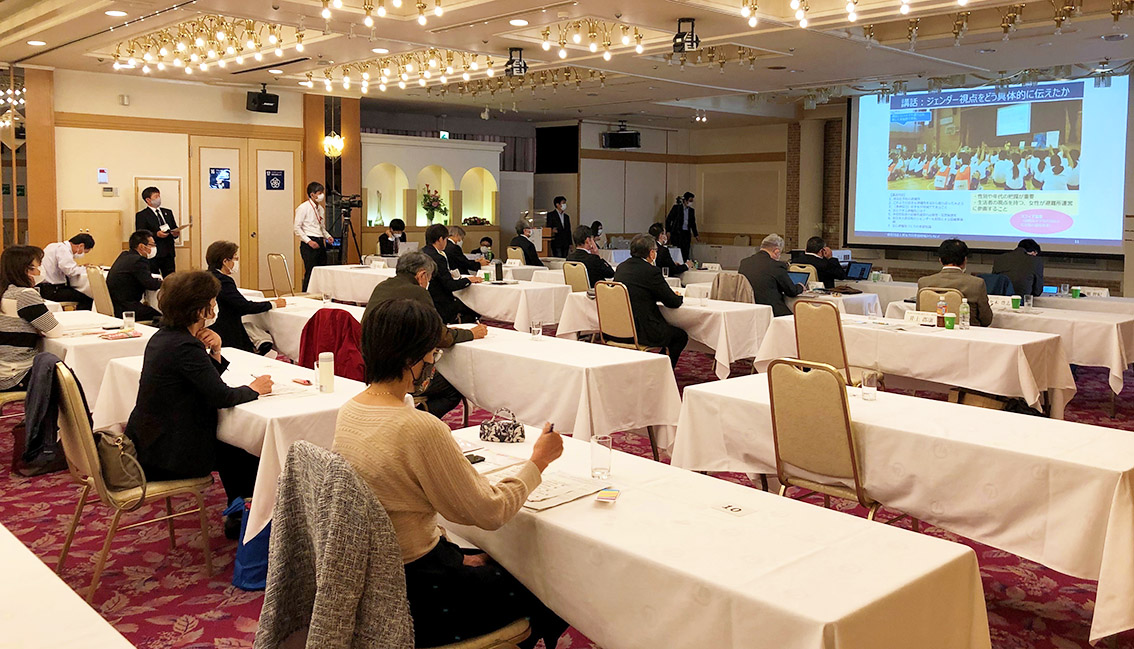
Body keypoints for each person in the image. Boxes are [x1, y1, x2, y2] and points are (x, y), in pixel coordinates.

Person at [333, 298, 567, 648]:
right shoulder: (418, 427)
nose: (434, 363)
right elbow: (490, 512)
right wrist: (538, 462)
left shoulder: (350, 410)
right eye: (432, 354)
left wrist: (452, 555)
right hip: (422, 595)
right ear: (411, 359)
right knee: (554, 587)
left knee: (486, 558)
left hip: (381, 579)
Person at [125, 270, 273, 537]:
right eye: (212, 302)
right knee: (244, 445)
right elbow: (221, 396)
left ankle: (241, 511)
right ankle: (247, 516)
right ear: (200, 309)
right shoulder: (184, 346)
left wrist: (215, 351)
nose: (215, 307)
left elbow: (201, 384)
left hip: (151, 441)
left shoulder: (166, 337)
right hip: (169, 454)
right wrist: (254, 389)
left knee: (233, 440)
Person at [362, 252, 487, 418]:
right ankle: (414, 419)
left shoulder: (382, 287)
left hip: (372, 367)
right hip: (401, 371)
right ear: (421, 275)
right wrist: (470, 333)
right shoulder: (417, 293)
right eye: (429, 278)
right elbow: (440, 336)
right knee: (454, 387)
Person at [612, 234, 687, 368]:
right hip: (642, 330)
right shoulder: (651, 271)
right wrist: (679, 296)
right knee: (680, 336)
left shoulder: (621, 268)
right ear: (652, 253)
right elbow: (672, 302)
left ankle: (656, 365)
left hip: (619, 327)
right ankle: (662, 370)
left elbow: (637, 291)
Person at [205, 240, 285, 354]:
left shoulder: (206, 276)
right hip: (227, 331)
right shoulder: (223, 281)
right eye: (235, 258)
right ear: (225, 261)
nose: (236, 262)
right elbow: (243, 306)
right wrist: (273, 304)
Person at [0, 246, 61, 391]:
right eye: (38, 266)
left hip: (4, 369)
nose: (40, 271)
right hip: (16, 375)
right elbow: (55, 330)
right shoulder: (25, 295)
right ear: (26, 269)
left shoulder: (5, 291)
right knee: (65, 372)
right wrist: (41, 324)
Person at [918, 238, 994, 327]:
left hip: (932, 332)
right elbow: (986, 320)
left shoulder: (924, 283)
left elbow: (919, 314)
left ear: (940, 260)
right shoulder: (976, 284)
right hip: (968, 333)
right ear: (965, 260)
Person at [423, 223, 483, 324]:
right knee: (473, 308)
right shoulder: (438, 258)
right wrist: (468, 280)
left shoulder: (422, 252)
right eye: (446, 239)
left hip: (427, 298)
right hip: (440, 301)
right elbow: (450, 285)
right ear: (440, 239)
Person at [738, 234, 805, 317]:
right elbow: (791, 291)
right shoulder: (776, 266)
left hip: (750, 309)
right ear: (776, 251)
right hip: (772, 311)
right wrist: (800, 287)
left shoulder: (744, 262)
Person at [106, 230, 163, 321]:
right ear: (141, 246)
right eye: (152, 245)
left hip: (115, 304)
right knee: (160, 316)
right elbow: (150, 284)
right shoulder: (138, 260)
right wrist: (165, 282)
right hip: (126, 308)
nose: (154, 248)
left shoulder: (124, 255)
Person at [294, 181, 334, 291]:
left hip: (320, 241)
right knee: (310, 271)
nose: (322, 195)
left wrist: (328, 236)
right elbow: (297, 228)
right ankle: (306, 294)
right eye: (319, 193)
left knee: (322, 271)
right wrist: (309, 241)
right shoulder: (303, 208)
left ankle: (320, 293)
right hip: (309, 242)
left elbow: (321, 227)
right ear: (312, 194)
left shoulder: (320, 209)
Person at [38, 233, 95, 310]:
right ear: (81, 246)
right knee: (88, 298)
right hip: (53, 290)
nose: (82, 254)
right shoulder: (63, 249)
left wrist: (80, 267)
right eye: (84, 251)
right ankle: (81, 316)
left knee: (77, 293)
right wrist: (87, 269)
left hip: (44, 288)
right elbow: (70, 271)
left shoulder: (53, 246)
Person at [135, 186, 181, 277]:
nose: (159, 198)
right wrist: (156, 234)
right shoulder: (142, 215)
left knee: (171, 278)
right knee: (154, 277)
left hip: (168, 252)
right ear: (148, 200)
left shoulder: (168, 212)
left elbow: (174, 227)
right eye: (156, 196)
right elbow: (141, 234)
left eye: (159, 196)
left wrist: (176, 233)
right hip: (153, 252)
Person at [665, 192, 698, 263]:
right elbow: (669, 219)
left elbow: (693, 223)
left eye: (692, 201)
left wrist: (696, 235)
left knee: (685, 251)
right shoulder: (677, 208)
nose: (691, 202)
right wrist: (668, 231)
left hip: (686, 234)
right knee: (677, 251)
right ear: (685, 200)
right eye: (690, 200)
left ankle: (685, 264)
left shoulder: (691, 211)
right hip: (677, 233)